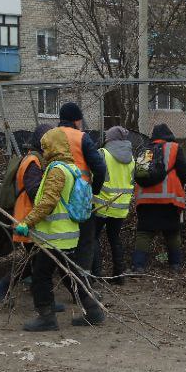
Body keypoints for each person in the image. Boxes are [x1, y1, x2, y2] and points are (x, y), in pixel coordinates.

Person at [13, 128, 106, 332]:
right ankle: (94, 311)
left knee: (41, 277)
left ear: (52, 147)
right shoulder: (72, 168)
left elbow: (48, 203)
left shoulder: (56, 170)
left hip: (54, 236)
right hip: (68, 235)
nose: (43, 150)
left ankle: (46, 317)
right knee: (72, 275)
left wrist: (26, 223)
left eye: (45, 146)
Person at [0, 123, 52, 304]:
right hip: (28, 219)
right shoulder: (33, 162)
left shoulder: (34, 159)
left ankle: (41, 296)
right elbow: (34, 192)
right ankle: (3, 287)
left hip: (28, 218)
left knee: (35, 262)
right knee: (36, 262)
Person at [56, 102, 108, 277]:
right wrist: (94, 190)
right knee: (86, 240)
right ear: (76, 120)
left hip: (54, 197)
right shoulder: (81, 137)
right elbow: (100, 168)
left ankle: (63, 277)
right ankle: (83, 281)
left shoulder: (48, 136)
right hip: (80, 198)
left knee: (59, 240)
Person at [131, 123, 186, 274]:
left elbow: (140, 176)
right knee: (172, 232)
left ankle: (138, 266)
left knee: (144, 232)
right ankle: (175, 265)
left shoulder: (145, 150)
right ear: (169, 135)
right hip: (169, 199)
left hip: (145, 200)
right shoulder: (174, 148)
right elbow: (184, 172)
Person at [91, 126, 135, 283]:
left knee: (93, 237)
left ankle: (95, 274)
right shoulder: (131, 158)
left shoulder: (102, 154)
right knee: (114, 238)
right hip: (121, 207)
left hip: (102, 204)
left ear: (109, 139)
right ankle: (119, 275)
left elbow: (93, 176)